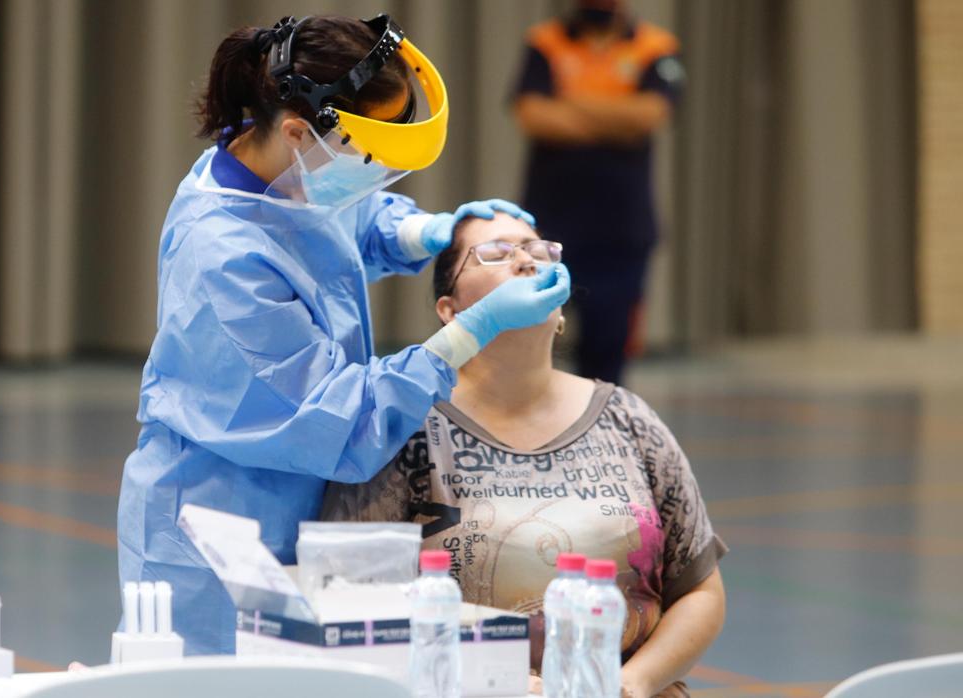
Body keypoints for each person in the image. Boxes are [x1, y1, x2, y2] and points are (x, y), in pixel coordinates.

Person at [117, 14, 572, 655]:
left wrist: (432, 232)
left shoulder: (278, 167)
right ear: (301, 131)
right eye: (371, 157)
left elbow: (343, 214)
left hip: (297, 513)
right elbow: (340, 422)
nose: (374, 174)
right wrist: (475, 330)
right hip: (214, 536)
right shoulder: (225, 256)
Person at [323, 212, 725, 698]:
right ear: (450, 311)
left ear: (560, 310)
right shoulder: (404, 427)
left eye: (540, 251)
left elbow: (700, 592)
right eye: (495, 252)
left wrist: (629, 682)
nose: (524, 260)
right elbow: (346, 603)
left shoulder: (629, 419)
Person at [512, 0, 685, 386]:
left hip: (622, 226)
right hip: (550, 221)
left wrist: (570, 102)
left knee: (608, 350)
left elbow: (652, 114)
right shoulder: (545, 43)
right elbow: (533, 114)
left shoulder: (656, 47)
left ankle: (602, 430)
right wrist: (618, 122)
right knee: (526, 339)